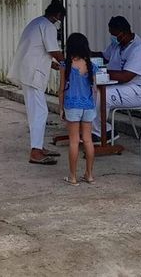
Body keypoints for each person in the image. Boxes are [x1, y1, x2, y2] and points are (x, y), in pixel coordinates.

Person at [7, 0, 66, 165]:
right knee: (40, 112)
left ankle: (38, 146)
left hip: (28, 71)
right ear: (58, 15)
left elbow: (37, 50)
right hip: (33, 74)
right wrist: (67, 64)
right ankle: (36, 151)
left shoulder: (36, 22)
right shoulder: (48, 26)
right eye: (60, 19)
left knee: (35, 112)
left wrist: (54, 64)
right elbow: (53, 50)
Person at [92, 15, 141, 139]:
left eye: (114, 35)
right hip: (121, 86)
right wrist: (84, 52)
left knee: (102, 95)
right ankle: (97, 129)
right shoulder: (118, 44)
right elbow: (104, 57)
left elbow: (126, 76)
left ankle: (103, 133)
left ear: (124, 33)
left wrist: (99, 71)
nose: (112, 38)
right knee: (91, 89)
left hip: (138, 91)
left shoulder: (140, 50)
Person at [60, 33, 97, 185]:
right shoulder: (91, 65)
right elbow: (94, 88)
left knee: (74, 141)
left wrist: (61, 107)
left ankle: (73, 176)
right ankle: (89, 175)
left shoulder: (65, 65)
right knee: (88, 140)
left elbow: (61, 89)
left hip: (72, 105)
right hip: (88, 105)